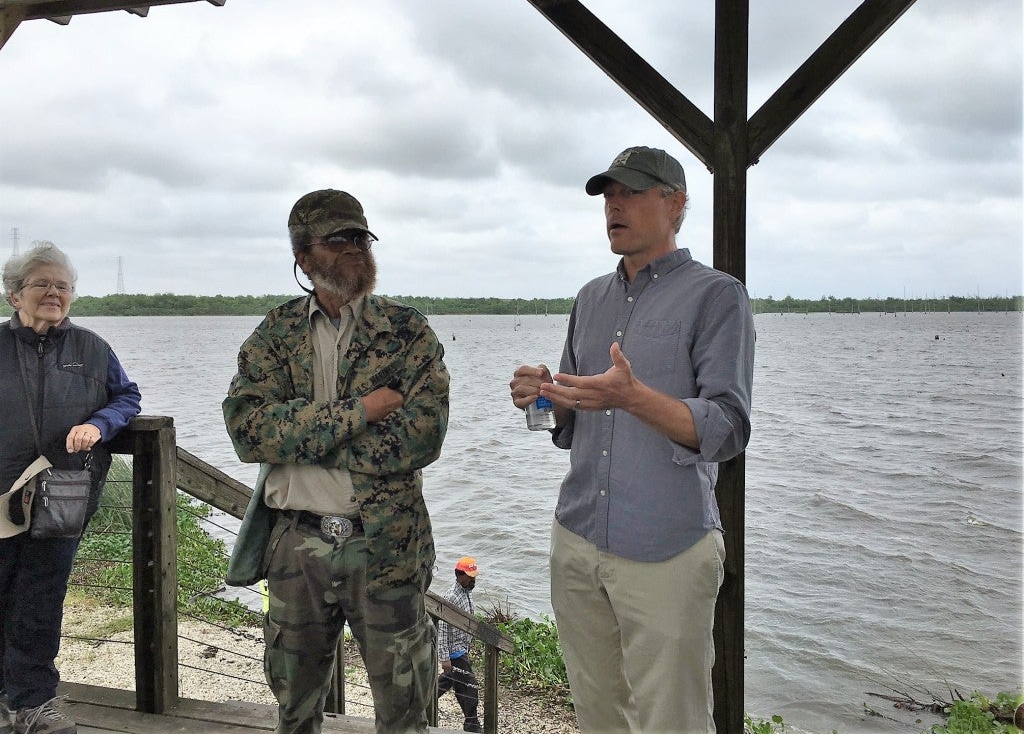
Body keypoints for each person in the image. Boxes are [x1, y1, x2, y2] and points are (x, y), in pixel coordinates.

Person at [509, 147, 755, 733]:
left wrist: (632, 396)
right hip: (576, 539)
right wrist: (545, 395)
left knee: (674, 720)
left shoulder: (717, 295)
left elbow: (728, 427)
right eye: (607, 195)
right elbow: (571, 423)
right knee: (596, 713)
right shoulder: (590, 297)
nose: (614, 204)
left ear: (676, 203)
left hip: (668, 550)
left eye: (632, 192)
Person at [222, 189, 450, 734]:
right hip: (295, 546)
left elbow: (422, 437)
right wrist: (363, 412)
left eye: (362, 237)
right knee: (295, 705)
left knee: (405, 707)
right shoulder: (274, 335)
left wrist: (305, 435)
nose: (356, 248)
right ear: (303, 256)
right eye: (340, 238)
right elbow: (247, 431)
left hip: (386, 545)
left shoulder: (406, 331)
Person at [0, 241, 142, 734]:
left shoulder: (91, 348)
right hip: (0, 498)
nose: (54, 293)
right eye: (42, 284)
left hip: (63, 494)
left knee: (41, 601)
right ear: (14, 294)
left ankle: (33, 704)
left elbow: (128, 397)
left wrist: (101, 424)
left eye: (63, 286)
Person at [436, 557, 482, 733]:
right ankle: (472, 725)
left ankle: (418, 707)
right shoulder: (452, 597)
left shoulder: (466, 592)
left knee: (450, 684)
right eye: (470, 576)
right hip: (454, 652)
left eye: (474, 576)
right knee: (470, 686)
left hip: (462, 649)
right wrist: (445, 657)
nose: (473, 579)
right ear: (459, 575)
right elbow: (443, 628)